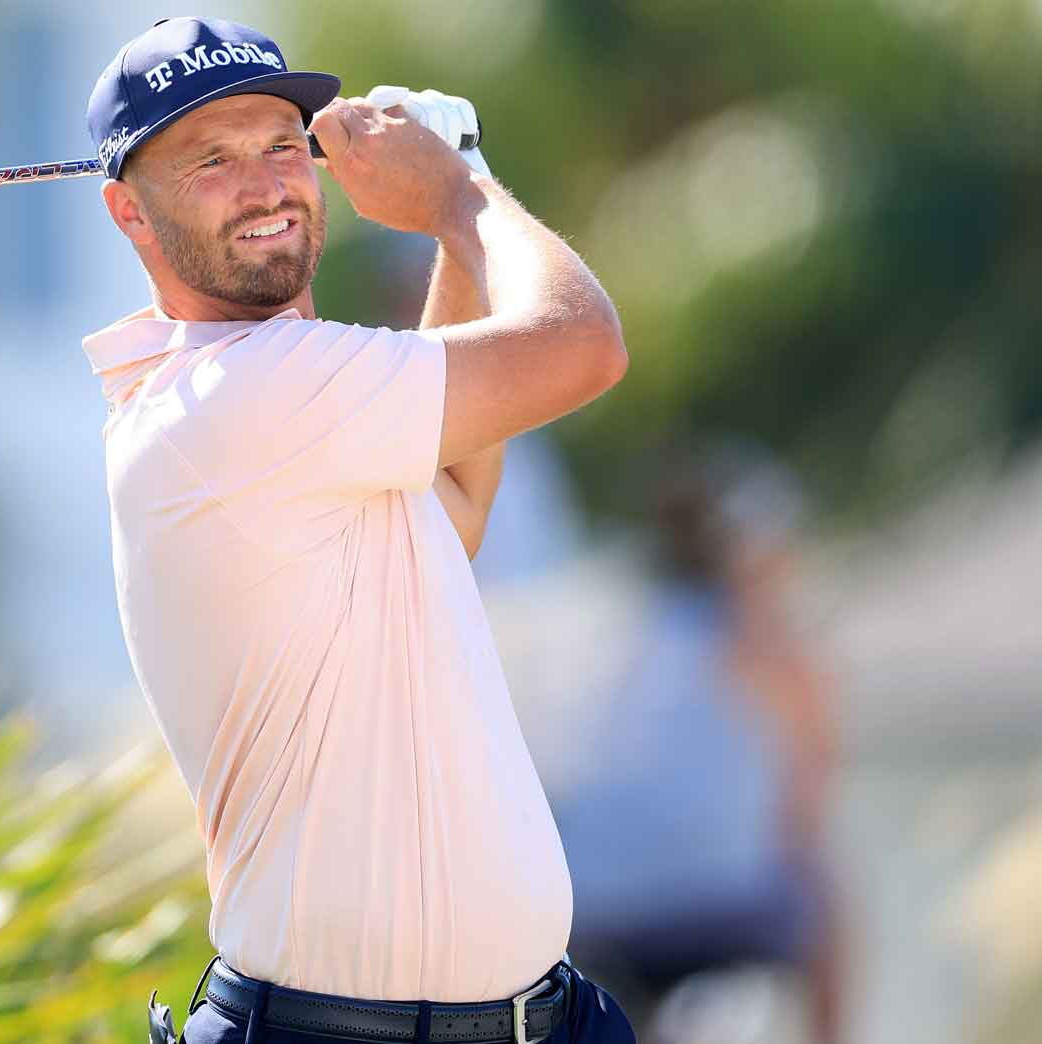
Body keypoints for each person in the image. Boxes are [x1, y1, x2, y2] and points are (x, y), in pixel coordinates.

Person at [80, 16, 633, 1044]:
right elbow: (581, 347)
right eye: (210, 158)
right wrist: (458, 193)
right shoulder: (238, 393)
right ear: (128, 212)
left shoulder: (304, 406)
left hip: (539, 1019)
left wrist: (444, 217)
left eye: (281, 144)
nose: (263, 181)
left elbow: (454, 504)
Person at [553, 439, 845, 1044]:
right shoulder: (766, 644)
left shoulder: (623, 618)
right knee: (829, 886)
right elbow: (809, 806)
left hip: (591, 907)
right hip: (713, 902)